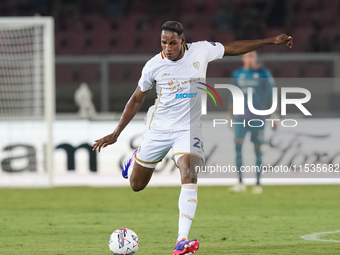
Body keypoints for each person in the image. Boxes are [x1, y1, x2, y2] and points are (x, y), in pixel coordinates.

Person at [92, 21, 292, 255]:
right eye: (164, 43)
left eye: (173, 43)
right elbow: (137, 98)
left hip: (187, 129)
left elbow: (233, 47)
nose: (168, 47)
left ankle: (181, 240)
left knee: (189, 173)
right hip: (158, 130)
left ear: (182, 41)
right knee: (136, 185)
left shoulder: (201, 50)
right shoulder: (154, 66)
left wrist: (270, 41)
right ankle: (138, 156)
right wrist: (116, 133)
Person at [228, 51, 278, 195]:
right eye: (247, 56)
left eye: (252, 56)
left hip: (258, 116)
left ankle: (257, 183)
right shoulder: (237, 74)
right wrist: (230, 115)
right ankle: (240, 182)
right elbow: (233, 94)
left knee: (258, 149)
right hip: (240, 116)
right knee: (238, 146)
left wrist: (274, 113)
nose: (250, 59)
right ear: (243, 58)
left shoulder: (264, 73)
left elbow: (272, 92)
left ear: (256, 58)